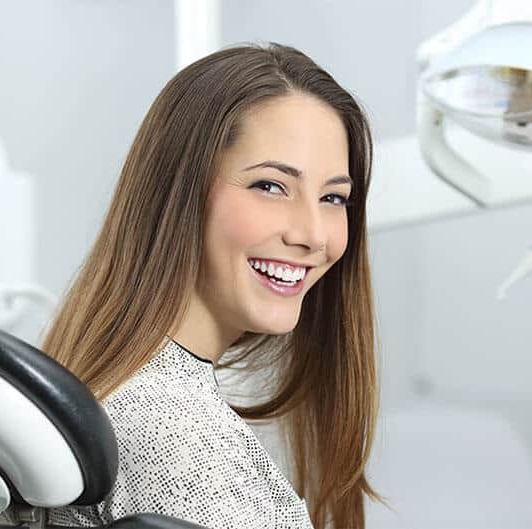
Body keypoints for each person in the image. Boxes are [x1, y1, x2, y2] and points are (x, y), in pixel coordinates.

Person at [43, 42, 388, 529]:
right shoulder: (174, 431)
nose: (313, 235)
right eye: (270, 186)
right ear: (179, 193)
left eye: (333, 198)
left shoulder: (128, 389)